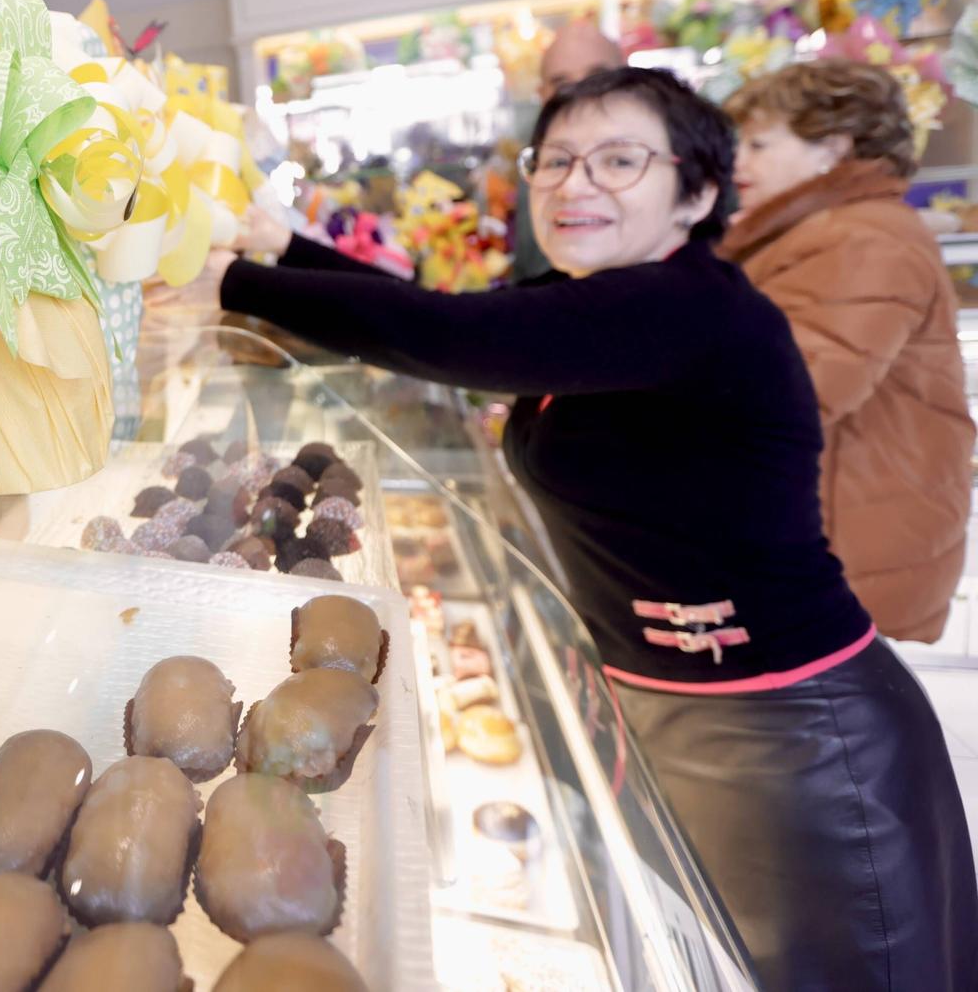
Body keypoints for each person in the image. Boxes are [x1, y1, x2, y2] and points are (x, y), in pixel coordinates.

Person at [204, 66, 974, 989]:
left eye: (619, 160)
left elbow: (453, 339)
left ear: (696, 191)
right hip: (677, 701)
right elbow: (463, 322)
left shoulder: (684, 304)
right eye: (558, 160)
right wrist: (287, 252)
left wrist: (241, 280)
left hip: (794, 731)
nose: (575, 183)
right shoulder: (613, 297)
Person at [722, 61, 973, 641]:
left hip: (847, 551)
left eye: (759, 144)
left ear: (832, 149)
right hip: (839, 536)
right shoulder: (821, 230)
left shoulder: (860, 237)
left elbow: (794, 394)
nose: (740, 163)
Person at [511, 17, 625, 279]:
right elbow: (530, 269)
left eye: (598, 77)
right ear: (542, 95)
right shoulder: (533, 162)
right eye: (563, 85)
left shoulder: (663, 151)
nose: (582, 94)